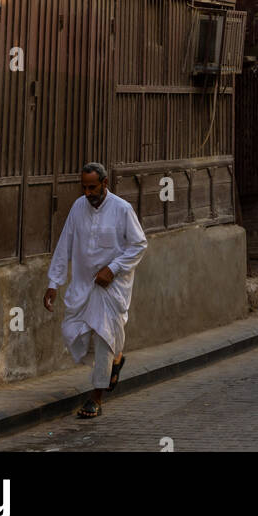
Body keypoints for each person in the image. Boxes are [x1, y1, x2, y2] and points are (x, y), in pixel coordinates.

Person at [44, 162, 148, 418]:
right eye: (84, 187)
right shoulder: (78, 207)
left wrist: (112, 269)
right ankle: (115, 359)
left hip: (111, 288)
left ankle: (96, 398)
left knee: (103, 336)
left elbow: (139, 245)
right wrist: (53, 283)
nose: (88, 193)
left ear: (104, 184)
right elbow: (64, 244)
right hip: (82, 286)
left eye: (93, 187)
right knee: (73, 332)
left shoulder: (122, 209)